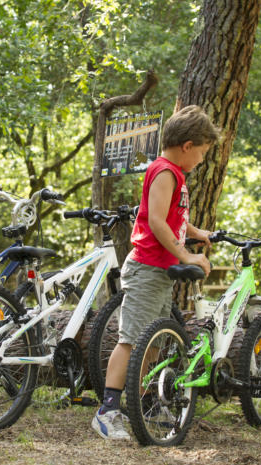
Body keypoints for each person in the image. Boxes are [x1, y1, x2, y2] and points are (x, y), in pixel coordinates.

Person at [92, 105, 219, 440]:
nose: (201, 161)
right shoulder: (165, 172)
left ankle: (141, 402)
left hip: (160, 273)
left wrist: (196, 232)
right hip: (148, 269)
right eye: (203, 153)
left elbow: (175, 219)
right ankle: (107, 411)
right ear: (188, 145)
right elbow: (156, 221)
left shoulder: (173, 173)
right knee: (131, 341)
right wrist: (186, 255)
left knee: (153, 342)